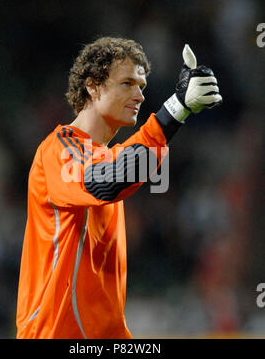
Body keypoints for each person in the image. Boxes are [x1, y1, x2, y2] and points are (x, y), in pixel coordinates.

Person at [16, 37, 222, 339]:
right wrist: (175, 109)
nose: (139, 95)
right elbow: (108, 181)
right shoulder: (58, 150)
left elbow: (118, 168)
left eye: (141, 86)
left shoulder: (104, 156)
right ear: (93, 86)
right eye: (127, 83)